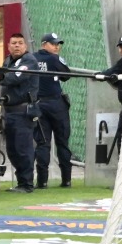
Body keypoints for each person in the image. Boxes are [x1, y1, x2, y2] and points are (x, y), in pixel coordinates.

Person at [0, 32, 42, 193]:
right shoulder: (8, 60)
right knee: (12, 150)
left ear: (25, 46)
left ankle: (27, 184)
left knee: (23, 148)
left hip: (23, 111)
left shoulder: (29, 60)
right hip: (9, 111)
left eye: (20, 43)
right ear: (9, 46)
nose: (17, 46)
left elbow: (14, 78)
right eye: (13, 43)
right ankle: (20, 181)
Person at [30, 32, 75, 189]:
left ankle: (42, 181)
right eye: (53, 43)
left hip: (39, 104)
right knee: (62, 142)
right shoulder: (54, 59)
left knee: (42, 143)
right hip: (56, 104)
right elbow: (66, 75)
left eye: (57, 44)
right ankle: (66, 180)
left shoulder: (32, 58)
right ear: (44, 44)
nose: (57, 47)